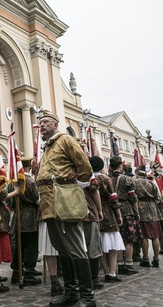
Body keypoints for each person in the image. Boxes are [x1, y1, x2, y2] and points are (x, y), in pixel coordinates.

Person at [35, 110, 96, 307]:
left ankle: (88, 297)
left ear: (55, 124)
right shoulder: (48, 146)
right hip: (49, 203)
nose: (42, 125)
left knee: (76, 248)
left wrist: (70, 184)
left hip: (64, 200)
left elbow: (85, 168)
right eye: (40, 122)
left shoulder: (66, 140)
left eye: (45, 122)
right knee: (62, 249)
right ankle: (71, 293)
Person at [88, 156, 124, 284]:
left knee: (100, 245)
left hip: (92, 212)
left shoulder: (88, 178)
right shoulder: (105, 179)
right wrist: (119, 214)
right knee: (112, 245)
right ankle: (112, 272)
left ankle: (106, 270)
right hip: (107, 212)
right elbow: (113, 198)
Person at [7, 158, 42, 287]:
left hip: (17, 215)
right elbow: (37, 199)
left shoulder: (13, 182)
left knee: (18, 245)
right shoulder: (31, 181)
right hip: (30, 216)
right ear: (28, 167)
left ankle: (16, 272)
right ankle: (28, 272)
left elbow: (9, 201)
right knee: (31, 244)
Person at [109, 155, 141, 276]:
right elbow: (133, 197)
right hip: (127, 209)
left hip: (113, 210)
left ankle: (120, 264)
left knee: (118, 238)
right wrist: (137, 212)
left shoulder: (107, 179)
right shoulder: (127, 179)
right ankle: (128, 264)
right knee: (128, 239)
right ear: (120, 165)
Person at [80, 162, 104, 291]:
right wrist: (99, 210)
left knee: (78, 247)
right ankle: (93, 279)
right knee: (92, 246)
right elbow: (95, 191)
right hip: (88, 211)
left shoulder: (62, 169)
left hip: (70, 213)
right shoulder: (85, 171)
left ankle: (81, 279)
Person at [133, 165, 163, 268]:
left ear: (137, 172)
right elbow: (158, 197)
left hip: (140, 209)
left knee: (144, 236)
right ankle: (156, 258)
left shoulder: (134, 183)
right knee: (155, 236)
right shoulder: (152, 183)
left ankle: (145, 258)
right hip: (152, 208)